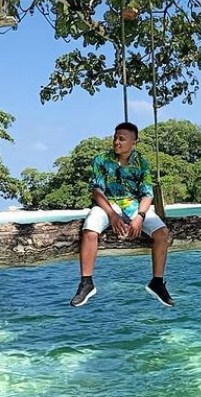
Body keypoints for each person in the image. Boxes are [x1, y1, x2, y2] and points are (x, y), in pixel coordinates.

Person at [70, 122, 174, 308]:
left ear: (133, 142)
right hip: (106, 205)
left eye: (122, 139)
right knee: (89, 230)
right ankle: (86, 283)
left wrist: (140, 216)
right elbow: (96, 191)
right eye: (115, 137)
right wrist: (112, 215)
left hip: (134, 205)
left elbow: (147, 194)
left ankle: (157, 282)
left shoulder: (141, 162)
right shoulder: (101, 160)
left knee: (162, 233)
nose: (116, 142)